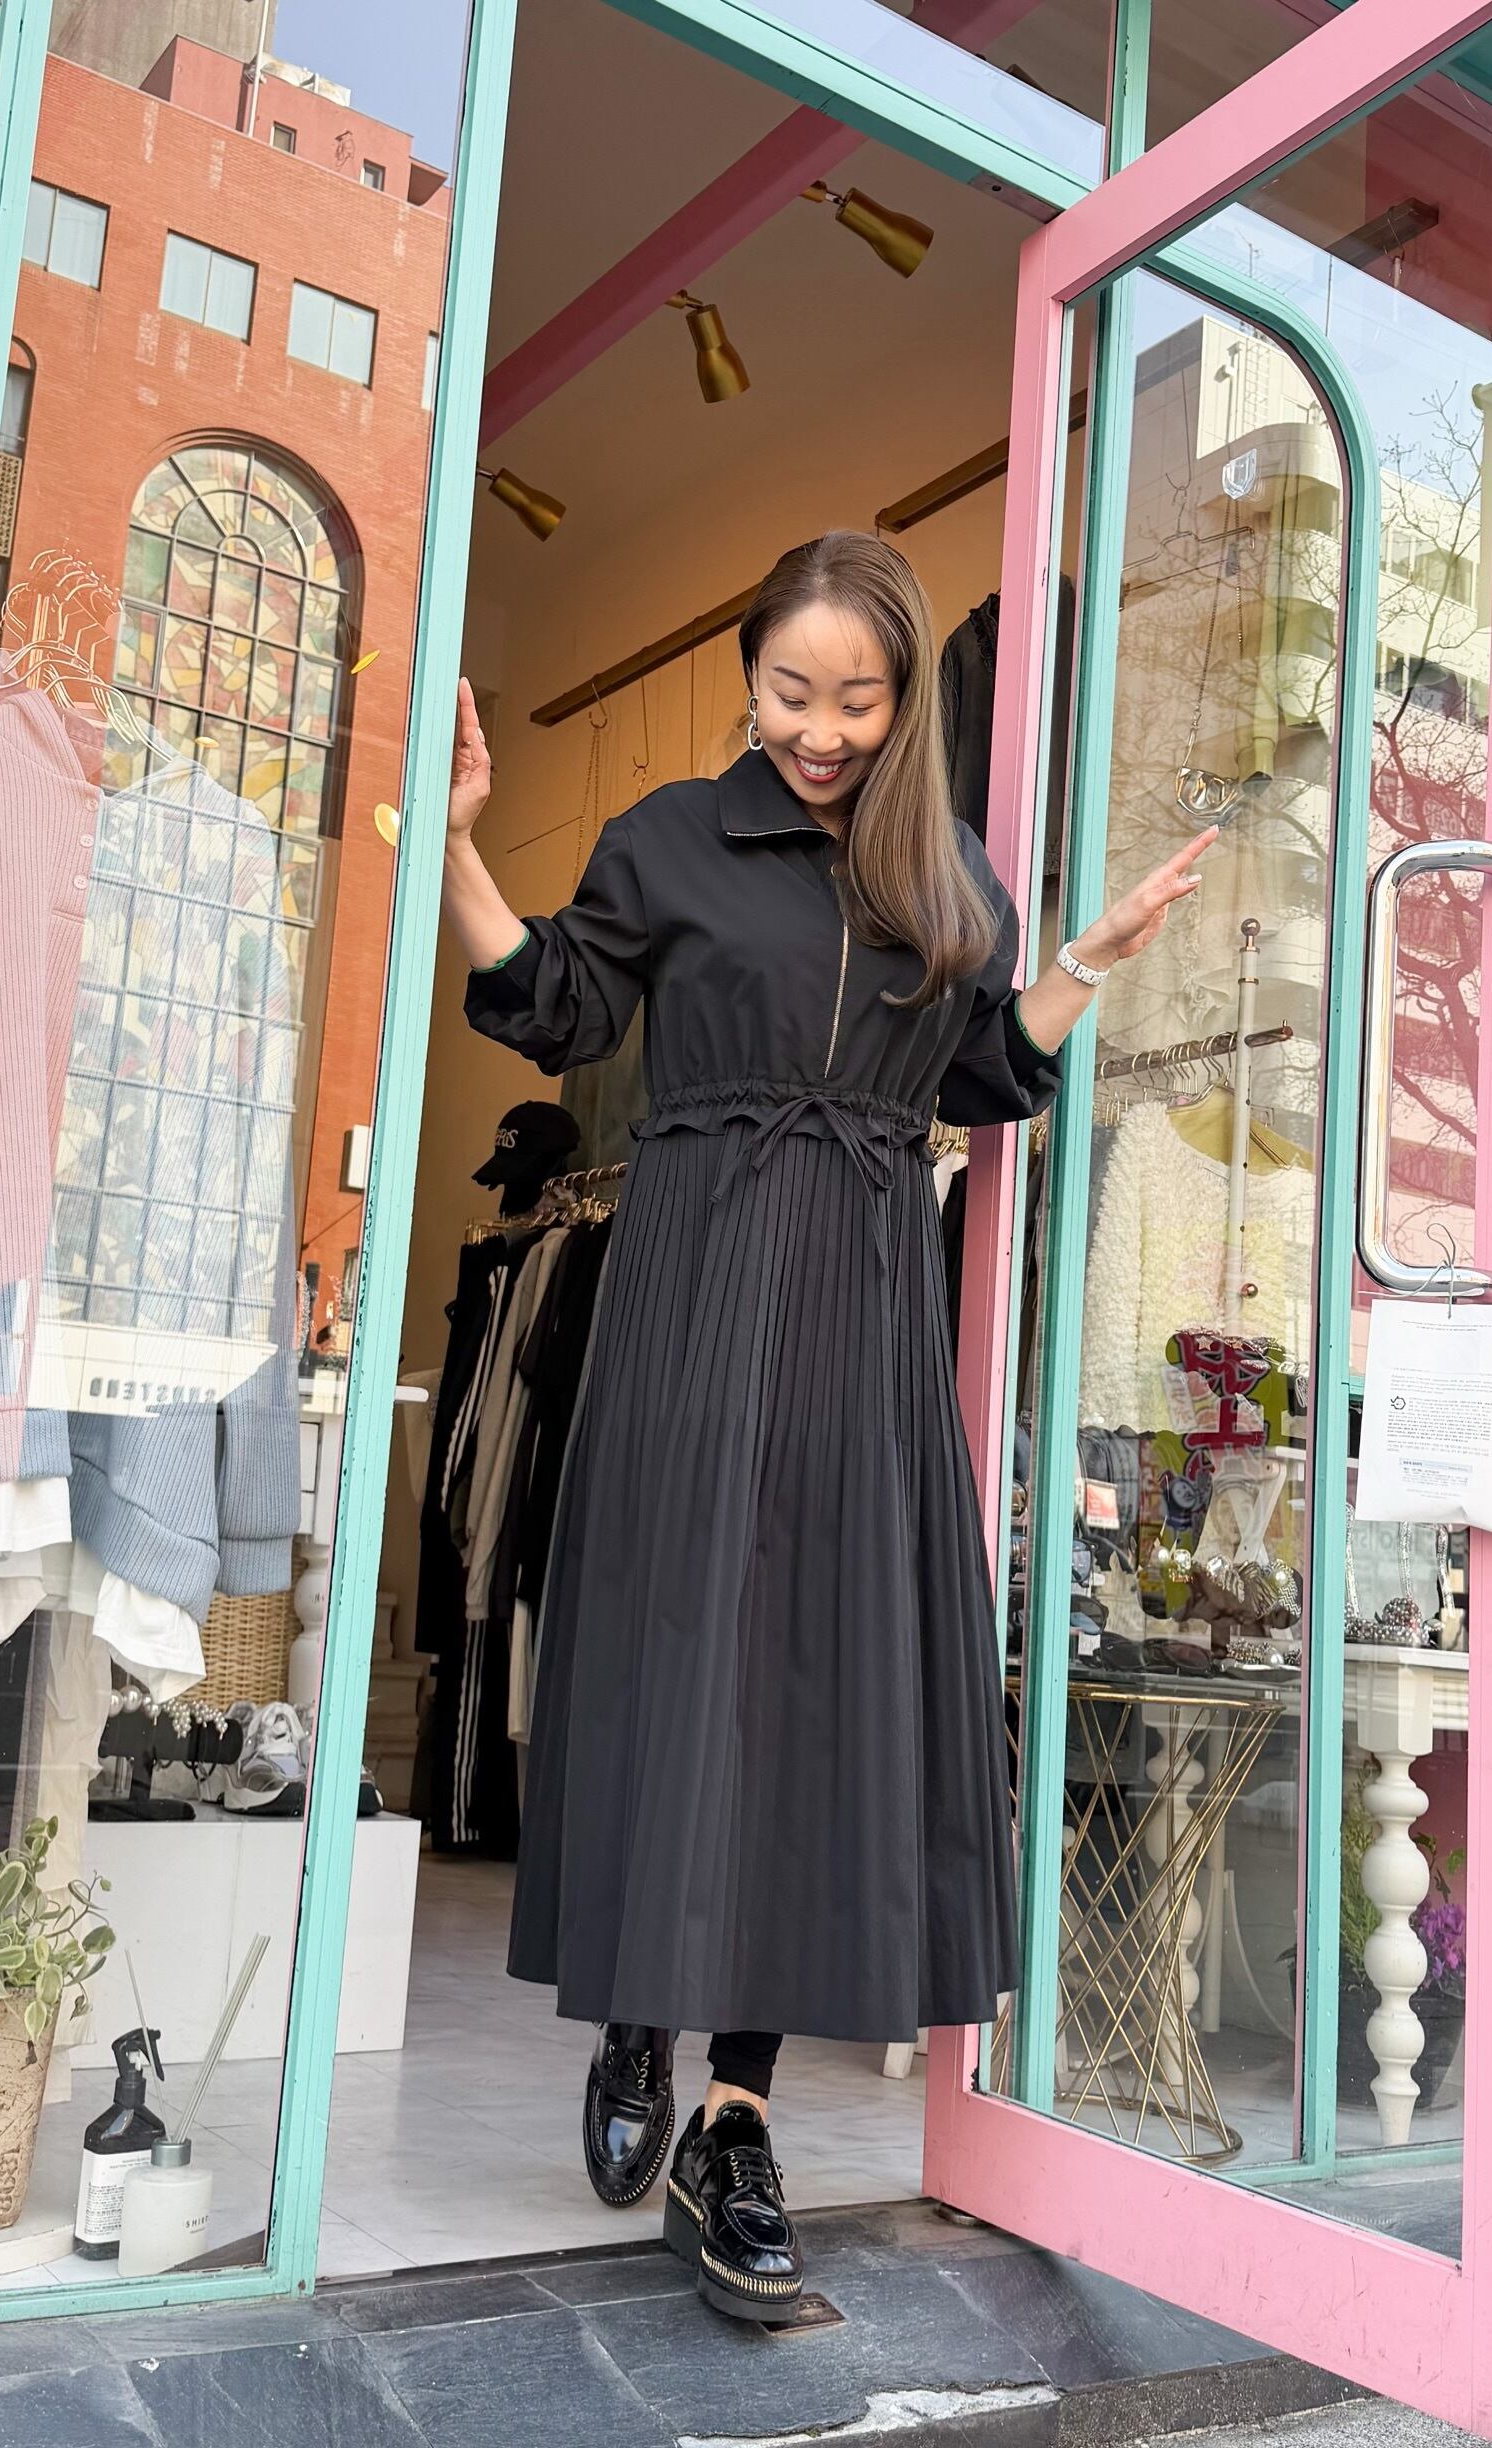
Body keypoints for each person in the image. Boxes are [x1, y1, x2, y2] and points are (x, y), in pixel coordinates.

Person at [442, 530, 1212, 2322]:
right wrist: (461, 851)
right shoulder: (668, 840)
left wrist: (1083, 960)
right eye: (791, 691)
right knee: (680, 1645)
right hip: (692, 1289)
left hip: (863, 1314)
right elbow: (553, 1006)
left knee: (808, 1684)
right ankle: (638, 2008)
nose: (820, 728)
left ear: (902, 701)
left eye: (856, 699)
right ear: (748, 680)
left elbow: (986, 1074)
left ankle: (736, 2112)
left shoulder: (945, 873)